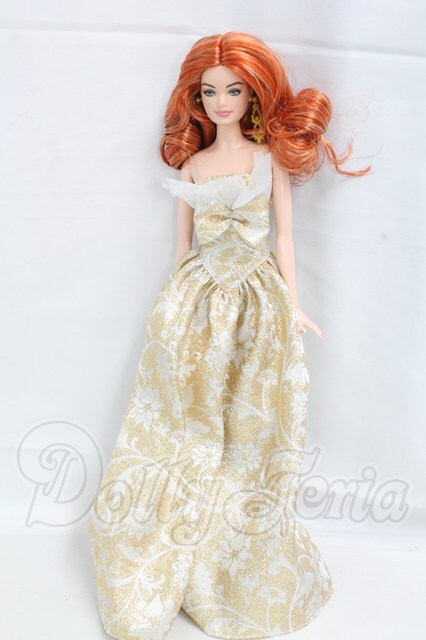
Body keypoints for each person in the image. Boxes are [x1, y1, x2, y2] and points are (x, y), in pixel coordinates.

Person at [87, 31, 371, 640]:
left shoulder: (268, 162)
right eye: (210, 92)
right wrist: (169, 311)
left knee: (249, 422)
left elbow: (285, 238)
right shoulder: (192, 165)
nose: (221, 102)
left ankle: (234, 554)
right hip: (197, 299)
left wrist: (296, 306)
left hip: (256, 302)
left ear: (254, 96)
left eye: (234, 91)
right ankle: (174, 544)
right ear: (195, 99)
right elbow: (181, 247)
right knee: (190, 421)